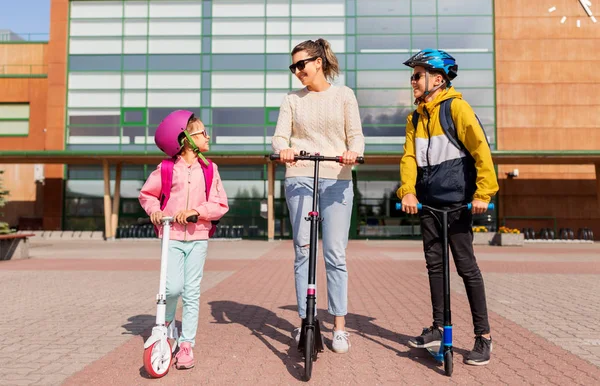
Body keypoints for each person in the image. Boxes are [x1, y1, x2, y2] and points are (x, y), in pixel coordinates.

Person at [397, 49, 499, 365]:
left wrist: (484, 192)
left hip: (458, 201)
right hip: (428, 203)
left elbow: (481, 151)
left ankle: (483, 336)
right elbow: (409, 158)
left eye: (417, 75)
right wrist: (408, 192)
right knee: (435, 265)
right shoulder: (415, 117)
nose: (412, 81)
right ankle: (439, 327)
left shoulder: (457, 109)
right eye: (412, 75)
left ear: (437, 79)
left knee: (466, 266)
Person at [272, 38, 365, 354]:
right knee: (303, 249)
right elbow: (280, 136)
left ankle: (339, 326)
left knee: (335, 254)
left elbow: (355, 136)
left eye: (301, 64)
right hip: (300, 178)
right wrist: (283, 149)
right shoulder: (292, 100)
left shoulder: (344, 96)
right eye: (293, 66)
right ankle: (305, 321)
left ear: (318, 62)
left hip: (337, 179)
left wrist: (353, 152)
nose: (297, 71)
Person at [139, 110, 229, 369]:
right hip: (172, 237)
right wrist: (155, 211)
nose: (208, 136)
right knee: (172, 288)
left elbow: (220, 204)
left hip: (198, 237)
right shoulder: (167, 168)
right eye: (202, 132)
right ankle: (166, 326)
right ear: (187, 138)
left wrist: (197, 212)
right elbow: (148, 195)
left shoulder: (210, 169)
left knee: (191, 292)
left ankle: (187, 344)